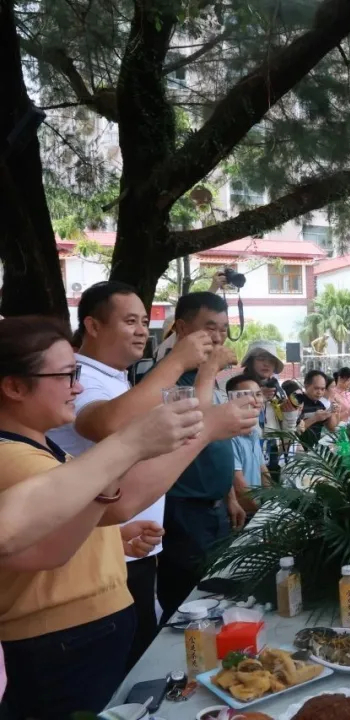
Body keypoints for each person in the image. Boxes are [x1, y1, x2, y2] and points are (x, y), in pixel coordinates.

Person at [0, 316, 254, 718]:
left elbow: (62, 526)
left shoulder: (38, 447)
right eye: (66, 376)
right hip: (61, 640)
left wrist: (107, 538)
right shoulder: (13, 458)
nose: (77, 387)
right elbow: (98, 515)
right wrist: (171, 436)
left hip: (79, 633)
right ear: (14, 387)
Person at [46, 281, 215, 672]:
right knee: (123, 673)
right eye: (130, 321)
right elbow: (105, 424)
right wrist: (176, 362)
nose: (142, 331)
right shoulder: (83, 376)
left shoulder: (116, 378)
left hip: (127, 542)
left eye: (143, 321)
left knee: (140, 660)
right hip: (97, 556)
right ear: (93, 325)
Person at [157, 292, 252, 624]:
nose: (218, 338)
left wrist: (230, 496)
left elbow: (216, 441)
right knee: (188, 603)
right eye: (210, 328)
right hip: (183, 509)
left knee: (217, 593)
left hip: (215, 506)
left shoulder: (208, 378)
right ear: (182, 329)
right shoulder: (167, 378)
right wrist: (210, 369)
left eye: (223, 329)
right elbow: (196, 427)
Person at [225, 374, 269, 517]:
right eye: (248, 396)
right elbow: (239, 487)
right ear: (232, 400)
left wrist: (275, 501)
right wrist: (263, 515)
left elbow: (263, 471)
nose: (256, 401)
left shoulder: (253, 432)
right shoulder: (229, 436)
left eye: (258, 394)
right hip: (244, 515)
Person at [297, 370, 338, 435]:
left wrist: (332, 411)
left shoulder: (320, 405)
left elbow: (332, 428)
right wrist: (314, 418)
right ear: (306, 386)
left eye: (322, 389)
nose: (319, 392)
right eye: (316, 388)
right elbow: (293, 432)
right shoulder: (297, 402)